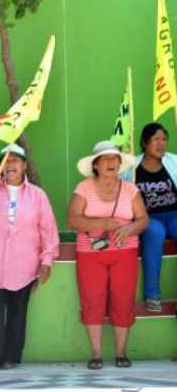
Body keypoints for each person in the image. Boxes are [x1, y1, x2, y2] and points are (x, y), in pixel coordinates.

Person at [0, 144, 59, 372]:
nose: (10, 165)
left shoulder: (37, 196)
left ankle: (12, 357)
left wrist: (46, 261)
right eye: (6, 161)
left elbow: (48, 230)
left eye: (15, 160)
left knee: (18, 313)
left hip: (25, 264)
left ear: (24, 166)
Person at [67, 140, 148, 370]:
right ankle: (96, 354)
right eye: (106, 159)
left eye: (115, 158)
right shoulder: (83, 188)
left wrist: (129, 228)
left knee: (123, 299)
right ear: (96, 165)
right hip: (90, 252)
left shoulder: (130, 189)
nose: (111, 162)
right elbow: (72, 219)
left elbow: (143, 219)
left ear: (120, 164)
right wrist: (103, 223)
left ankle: (121, 353)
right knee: (93, 300)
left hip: (125, 251)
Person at [126, 123, 177, 313]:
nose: (162, 144)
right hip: (148, 218)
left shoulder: (174, 162)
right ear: (145, 143)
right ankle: (152, 295)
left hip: (174, 215)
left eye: (164, 139)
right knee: (154, 233)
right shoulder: (131, 169)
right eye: (157, 139)